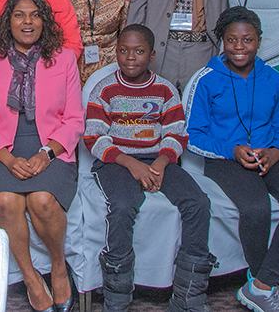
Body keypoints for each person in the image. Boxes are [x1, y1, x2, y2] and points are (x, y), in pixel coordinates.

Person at [185, 6, 279, 312]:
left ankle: (260, 284)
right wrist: (232, 149)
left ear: (259, 41)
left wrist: (275, 152)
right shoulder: (206, 79)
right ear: (222, 42)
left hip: (270, 157)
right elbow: (193, 134)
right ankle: (262, 281)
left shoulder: (274, 79)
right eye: (232, 40)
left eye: (247, 40)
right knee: (257, 208)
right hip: (225, 159)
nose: (240, 47)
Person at [84, 24, 214, 312]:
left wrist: (160, 163)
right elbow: (94, 137)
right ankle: (116, 300)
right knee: (122, 204)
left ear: (152, 55)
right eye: (124, 51)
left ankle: (188, 298)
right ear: (116, 52)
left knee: (198, 203)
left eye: (139, 51)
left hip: (157, 160)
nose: (131, 57)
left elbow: (176, 134)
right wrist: (131, 164)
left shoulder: (165, 90)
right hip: (117, 161)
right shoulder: (104, 89)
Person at [0, 0, 83, 312]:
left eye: (35, 15)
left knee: (42, 200)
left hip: (52, 147)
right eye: (20, 15)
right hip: (2, 149)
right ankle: (32, 278)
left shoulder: (63, 59)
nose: (27, 21)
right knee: (6, 201)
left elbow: (75, 120)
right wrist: (6, 158)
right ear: (8, 20)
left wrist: (46, 153)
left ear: (44, 21)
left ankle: (59, 268)